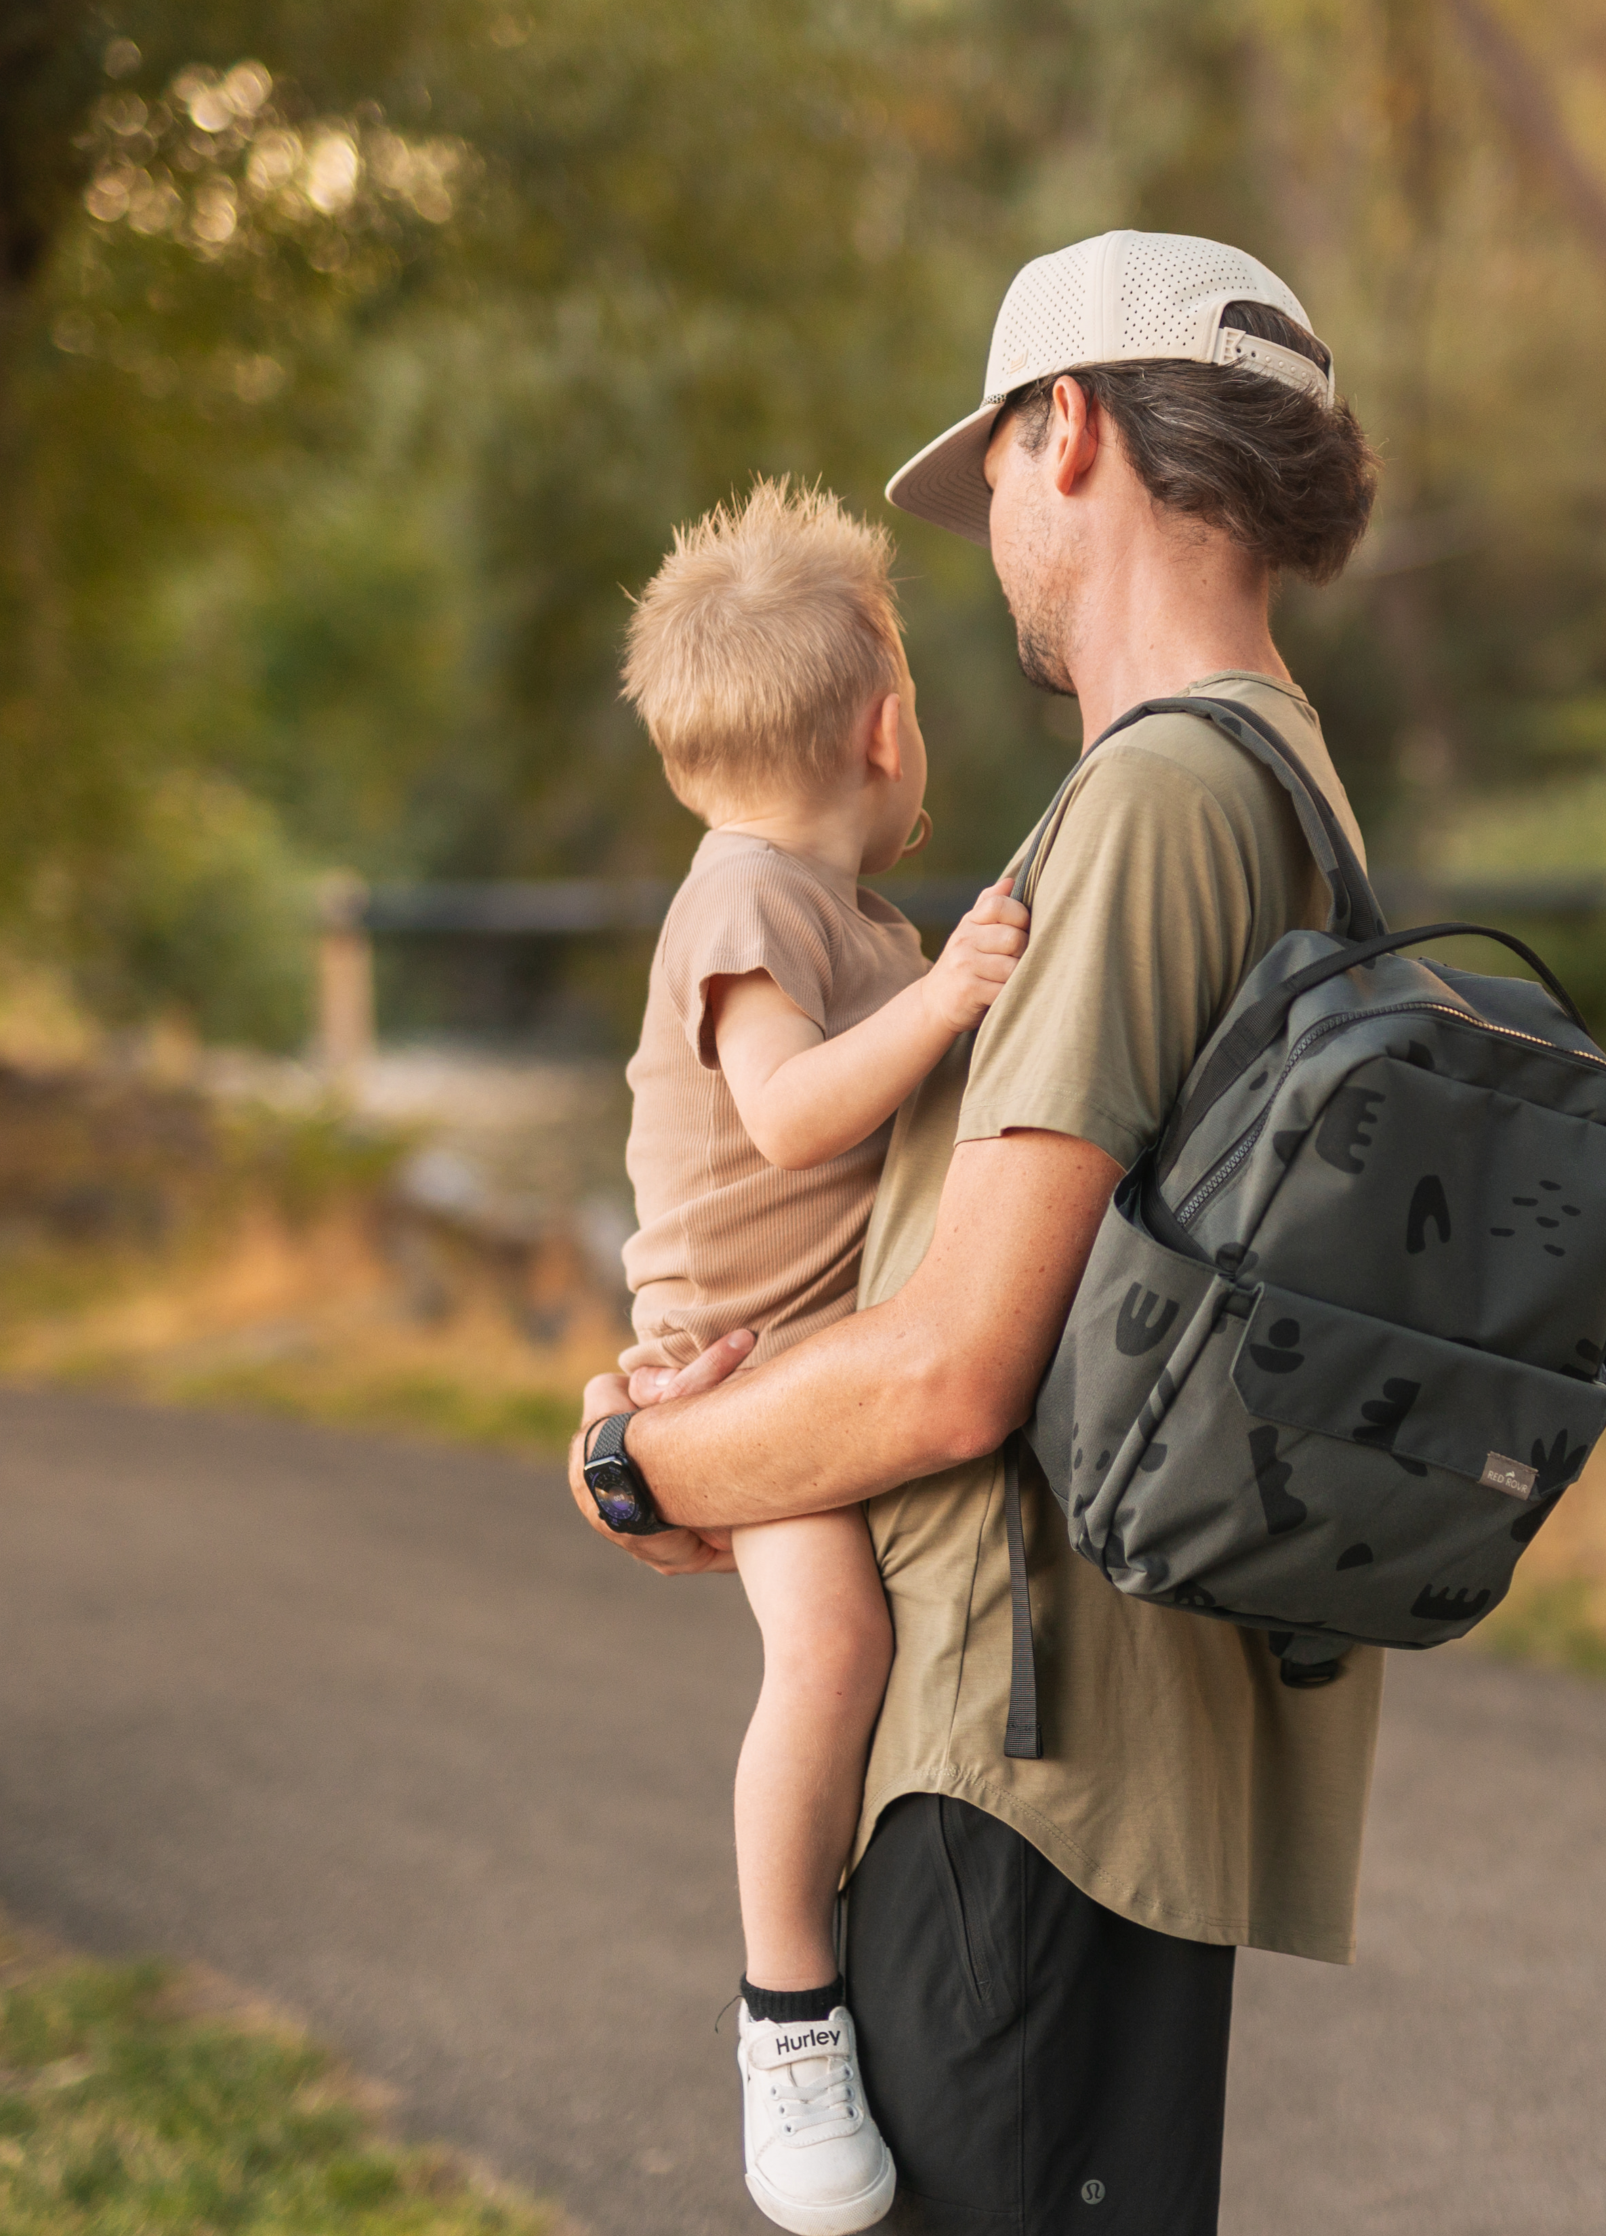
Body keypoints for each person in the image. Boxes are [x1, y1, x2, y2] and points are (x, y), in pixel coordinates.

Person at [572, 231, 1383, 2235]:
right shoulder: (1262, 779)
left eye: (998, 475)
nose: (994, 536)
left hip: (1018, 1756)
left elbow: (950, 1364)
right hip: (1100, 1737)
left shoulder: (1155, 804)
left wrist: (639, 1455)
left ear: (1071, 430)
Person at [608, 478, 1029, 2235]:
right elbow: (786, 1121)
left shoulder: (839, 916)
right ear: (885, 725)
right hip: (742, 1356)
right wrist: (947, 1007)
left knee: (868, 1632)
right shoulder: (744, 907)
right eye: (921, 699)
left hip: (807, 1337)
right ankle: (787, 2011)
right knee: (834, 1639)